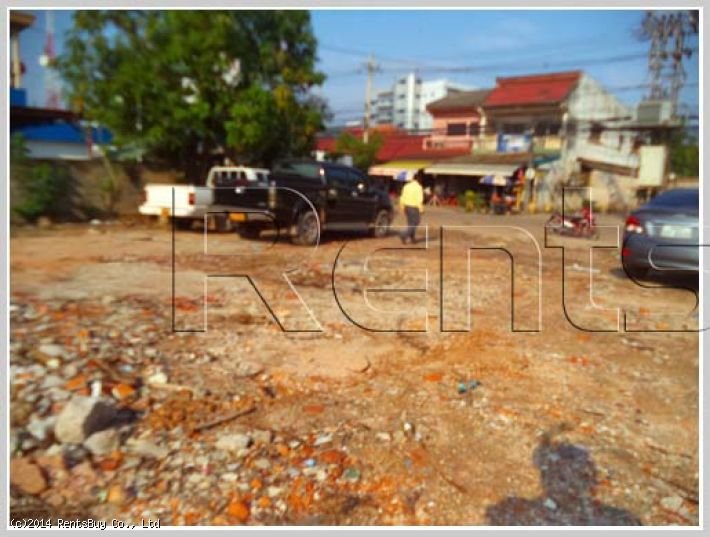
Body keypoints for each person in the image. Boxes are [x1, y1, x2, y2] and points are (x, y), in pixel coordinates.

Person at [399, 169, 424, 244]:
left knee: (410, 223)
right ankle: (404, 235)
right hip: (414, 207)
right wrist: (421, 209)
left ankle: (412, 238)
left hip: (407, 207)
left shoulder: (406, 186)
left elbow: (402, 197)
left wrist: (402, 207)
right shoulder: (418, 187)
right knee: (416, 222)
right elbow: (419, 199)